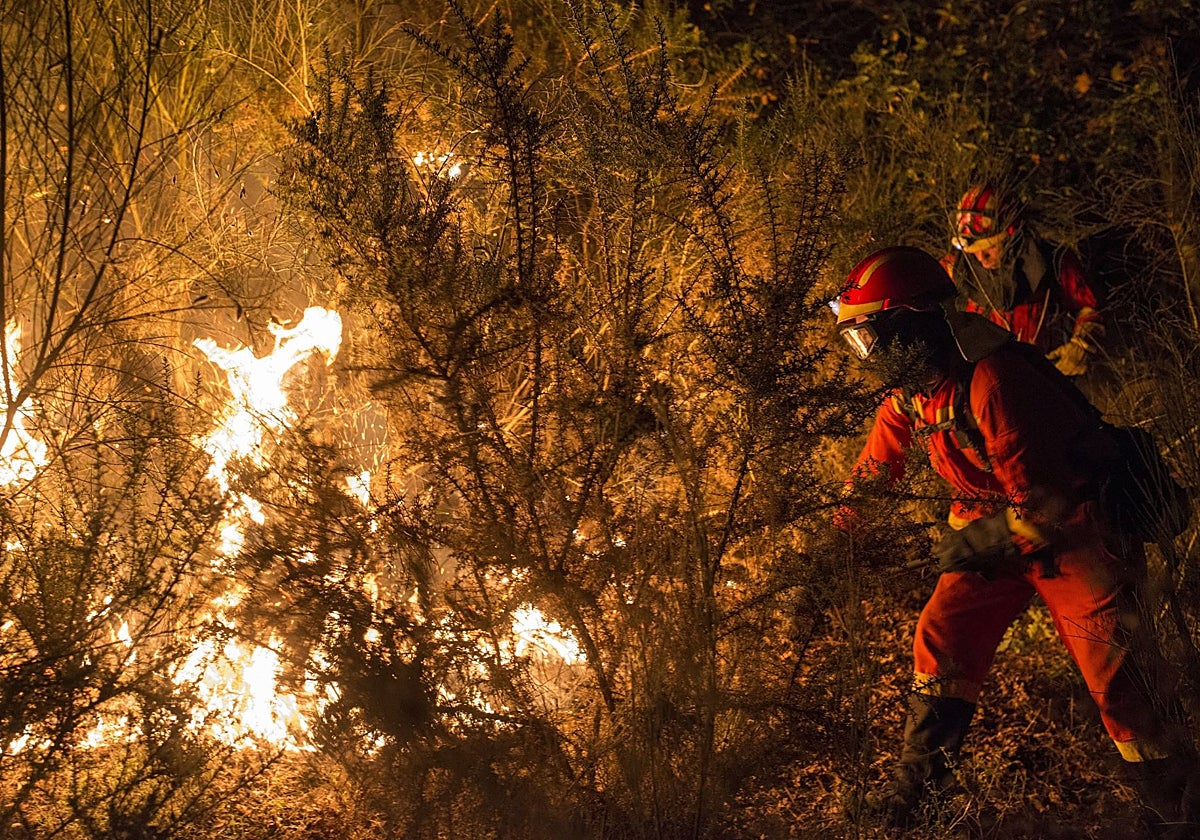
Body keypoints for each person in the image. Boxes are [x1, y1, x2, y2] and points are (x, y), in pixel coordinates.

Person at [834, 245, 1197, 834]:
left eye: (869, 338)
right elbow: (875, 472)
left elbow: (1047, 503)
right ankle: (921, 791)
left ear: (911, 324)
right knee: (943, 634)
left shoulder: (994, 381)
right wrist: (836, 539)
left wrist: (975, 543)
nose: (866, 357)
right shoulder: (914, 388)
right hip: (1000, 533)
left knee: (1119, 680)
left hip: (1079, 534)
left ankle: (1176, 805)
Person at [941, 183, 1103, 377]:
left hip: (1045, 381)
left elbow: (1089, 308)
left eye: (991, 246)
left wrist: (1081, 347)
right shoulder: (953, 269)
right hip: (983, 388)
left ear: (1012, 235)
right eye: (973, 251)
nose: (981, 259)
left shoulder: (1052, 260)